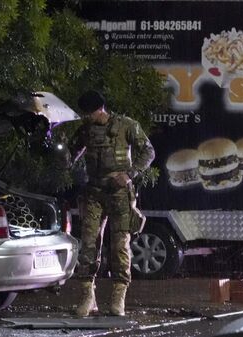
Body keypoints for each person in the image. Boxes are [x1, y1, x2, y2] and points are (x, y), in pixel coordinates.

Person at [69, 90, 155, 317]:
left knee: (119, 246)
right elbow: (71, 154)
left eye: (87, 113)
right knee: (88, 244)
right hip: (94, 192)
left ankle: (118, 298)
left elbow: (148, 151)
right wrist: (60, 152)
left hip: (119, 193)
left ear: (99, 110)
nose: (85, 117)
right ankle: (88, 297)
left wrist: (130, 173)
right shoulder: (85, 130)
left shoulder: (126, 125)